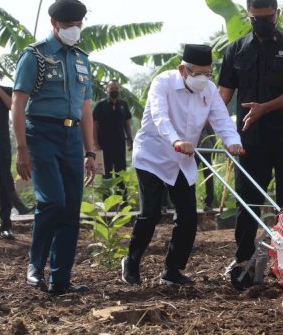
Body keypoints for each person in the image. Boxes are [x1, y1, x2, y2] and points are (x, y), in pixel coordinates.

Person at [121, 44, 242, 286]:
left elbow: (221, 119)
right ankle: (131, 262)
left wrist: (233, 142)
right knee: (152, 213)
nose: (203, 79)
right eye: (197, 73)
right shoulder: (163, 83)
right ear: (182, 70)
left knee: (188, 217)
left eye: (207, 74)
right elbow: (159, 115)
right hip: (152, 157)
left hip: (182, 160)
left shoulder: (208, 90)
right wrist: (175, 139)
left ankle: (172, 270)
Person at [218, 0, 283, 277]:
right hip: (250, 139)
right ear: (248, 16)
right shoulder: (235, 50)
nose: (261, 23)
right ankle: (243, 261)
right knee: (247, 201)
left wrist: (266, 108)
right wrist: (204, 122)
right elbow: (223, 95)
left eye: (267, 18)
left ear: (278, 14)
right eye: (255, 19)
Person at [12, 0, 96, 295]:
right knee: (52, 202)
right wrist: (22, 149)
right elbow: (18, 105)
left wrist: (90, 151)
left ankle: (61, 279)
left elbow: (86, 109)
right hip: (41, 134)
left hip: (72, 138)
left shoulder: (81, 58)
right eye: (68, 25)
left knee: (71, 209)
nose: (74, 30)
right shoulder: (34, 56)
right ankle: (36, 265)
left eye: (78, 25)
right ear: (53, 24)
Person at [0, 60, 35, 240]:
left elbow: (13, 106)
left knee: (5, 184)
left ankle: (5, 225)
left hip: (1, 145)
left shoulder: (7, 90)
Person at [93, 79, 133, 199]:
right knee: (106, 174)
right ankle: (107, 203)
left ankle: (123, 201)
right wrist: (96, 144)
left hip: (120, 143)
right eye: (111, 88)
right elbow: (94, 125)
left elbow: (127, 124)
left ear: (119, 89)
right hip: (104, 145)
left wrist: (130, 140)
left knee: (121, 173)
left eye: (116, 88)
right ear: (106, 90)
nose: (114, 90)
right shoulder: (100, 105)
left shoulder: (123, 104)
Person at [195, 124, 216, 211]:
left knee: (208, 177)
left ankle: (208, 203)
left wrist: (214, 149)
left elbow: (212, 134)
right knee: (189, 177)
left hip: (206, 149)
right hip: (193, 149)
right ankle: (191, 203)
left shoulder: (205, 118)